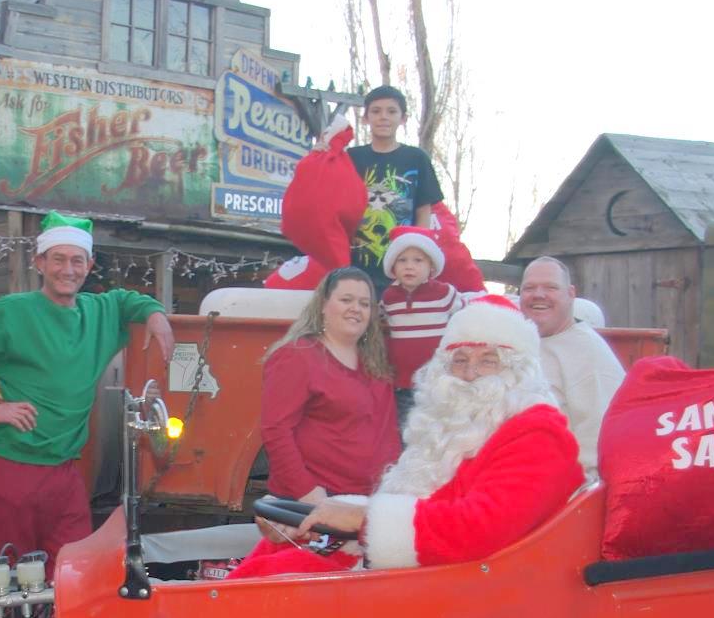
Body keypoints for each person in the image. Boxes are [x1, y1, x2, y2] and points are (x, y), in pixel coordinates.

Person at [232, 296, 582, 578]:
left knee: (268, 584)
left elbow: (482, 529)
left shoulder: (538, 433)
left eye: (488, 361)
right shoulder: (452, 429)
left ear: (518, 371)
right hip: (420, 574)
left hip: (463, 591)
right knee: (274, 552)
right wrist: (320, 521)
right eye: (458, 361)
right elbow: (419, 505)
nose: (470, 374)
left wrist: (361, 520)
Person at [0, 212, 174, 560]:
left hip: (66, 473)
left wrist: (155, 313)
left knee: (73, 571)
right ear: (39, 262)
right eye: (58, 259)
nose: (68, 269)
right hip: (13, 469)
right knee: (15, 579)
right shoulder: (12, 312)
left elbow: (126, 300)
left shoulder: (99, 312)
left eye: (77, 260)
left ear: (89, 265)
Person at [257, 266, 400, 504]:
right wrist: (308, 493)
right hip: (316, 503)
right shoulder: (297, 356)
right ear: (323, 305)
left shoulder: (375, 363)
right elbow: (276, 430)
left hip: (369, 502)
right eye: (346, 300)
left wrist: (391, 491)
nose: (356, 308)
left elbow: (388, 435)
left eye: (365, 304)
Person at [518, 256, 625, 481]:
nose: (538, 294)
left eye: (551, 287)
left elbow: (598, 448)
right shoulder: (516, 344)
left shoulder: (589, 355)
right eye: (529, 288)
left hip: (555, 487)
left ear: (571, 294)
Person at [347, 85, 441, 282]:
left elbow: (424, 211)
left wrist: (418, 257)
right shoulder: (350, 158)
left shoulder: (417, 158)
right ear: (365, 118)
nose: (383, 117)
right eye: (376, 111)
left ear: (403, 118)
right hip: (355, 264)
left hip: (402, 268)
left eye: (391, 111)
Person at [376, 225, 464, 408]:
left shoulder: (444, 293)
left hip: (438, 377)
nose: (409, 266)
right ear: (392, 266)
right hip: (402, 381)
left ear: (431, 266)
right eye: (402, 260)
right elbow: (379, 324)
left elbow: (466, 316)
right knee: (404, 425)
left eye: (418, 260)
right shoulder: (389, 297)